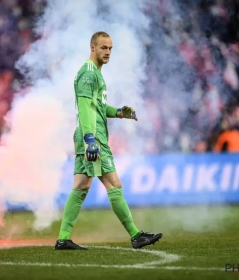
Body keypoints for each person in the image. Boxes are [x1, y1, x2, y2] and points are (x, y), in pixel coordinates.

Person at [55, 31, 163, 250]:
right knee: (114, 184)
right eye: (103, 47)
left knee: (81, 186)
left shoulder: (95, 73)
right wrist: (90, 140)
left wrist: (120, 112)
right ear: (92, 47)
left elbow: (98, 107)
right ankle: (135, 235)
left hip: (88, 135)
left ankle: (63, 238)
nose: (108, 52)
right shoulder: (89, 74)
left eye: (110, 48)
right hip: (93, 137)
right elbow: (85, 109)